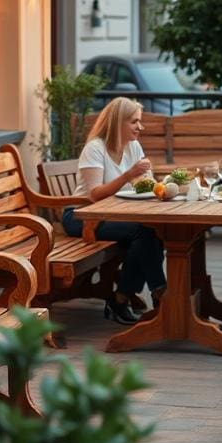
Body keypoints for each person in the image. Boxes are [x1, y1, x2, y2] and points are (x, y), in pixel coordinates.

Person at [62, 97, 167, 324]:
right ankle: (159, 293)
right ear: (118, 122)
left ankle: (123, 297)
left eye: (140, 121)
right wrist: (129, 175)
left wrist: (153, 183)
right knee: (146, 232)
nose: (141, 127)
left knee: (152, 232)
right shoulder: (95, 149)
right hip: (83, 217)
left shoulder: (133, 146)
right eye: (134, 122)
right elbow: (94, 195)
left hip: (115, 215)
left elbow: (145, 183)